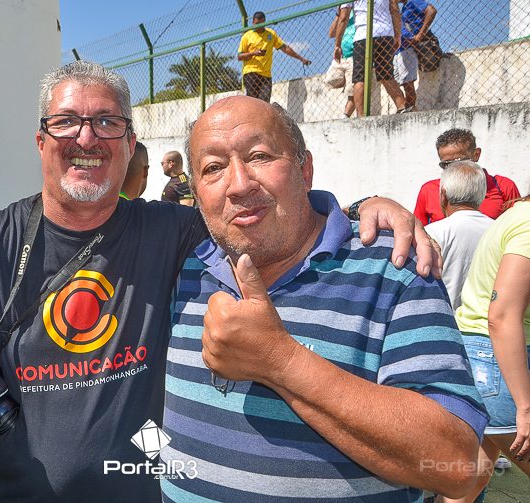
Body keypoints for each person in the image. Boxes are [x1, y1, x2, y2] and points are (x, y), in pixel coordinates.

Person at [0, 61, 438, 502]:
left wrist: (363, 208)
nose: (87, 138)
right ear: (41, 140)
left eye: (107, 122)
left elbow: (262, 211)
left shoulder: (176, 231)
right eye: (66, 122)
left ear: (128, 144)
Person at [160, 96, 487, 502]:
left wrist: (280, 360)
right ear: (195, 193)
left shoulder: (395, 266)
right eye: (213, 168)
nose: (239, 184)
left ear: (305, 170)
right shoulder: (186, 266)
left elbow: (457, 464)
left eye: (260, 156)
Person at [445, 196, 530, 503]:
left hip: (483, 356)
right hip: (495, 361)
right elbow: (501, 315)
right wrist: (525, 407)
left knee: (467, 484)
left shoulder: (518, 215)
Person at [414, 128, 521, 226]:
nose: (455, 169)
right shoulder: (429, 190)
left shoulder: (503, 187)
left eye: (460, 162)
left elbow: (519, 227)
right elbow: (418, 232)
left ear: (476, 154)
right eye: (447, 165)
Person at [425, 161, 493, 309]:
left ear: (443, 195)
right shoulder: (498, 229)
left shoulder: (431, 233)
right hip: (485, 319)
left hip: (445, 317)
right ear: (482, 195)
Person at [334, 0, 409, 115]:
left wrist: (337, 45)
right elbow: (394, 9)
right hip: (385, 33)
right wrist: (397, 35)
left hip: (363, 35)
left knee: (360, 78)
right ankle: (401, 106)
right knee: (386, 74)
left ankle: (362, 116)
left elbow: (343, 17)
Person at [238, 11, 312, 103]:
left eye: (261, 23)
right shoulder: (247, 36)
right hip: (251, 72)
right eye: (257, 24)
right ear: (253, 22)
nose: (259, 26)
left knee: (265, 103)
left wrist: (301, 58)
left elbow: (285, 48)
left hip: (266, 75)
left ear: (264, 22)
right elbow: (239, 56)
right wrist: (253, 53)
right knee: (253, 103)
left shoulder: (271, 34)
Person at [394, 0, 438, 110]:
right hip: (400, 49)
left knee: (407, 83)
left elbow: (431, 11)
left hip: (408, 49)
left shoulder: (413, 1)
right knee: (399, 83)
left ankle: (411, 108)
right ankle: (406, 108)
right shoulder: (404, 8)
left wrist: (420, 35)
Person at [328, 3, 357, 118]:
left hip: (355, 54)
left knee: (353, 90)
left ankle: (346, 115)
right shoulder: (342, 15)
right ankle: (348, 81)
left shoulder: (360, 12)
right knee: (330, 80)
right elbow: (331, 33)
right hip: (342, 55)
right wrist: (338, 14)